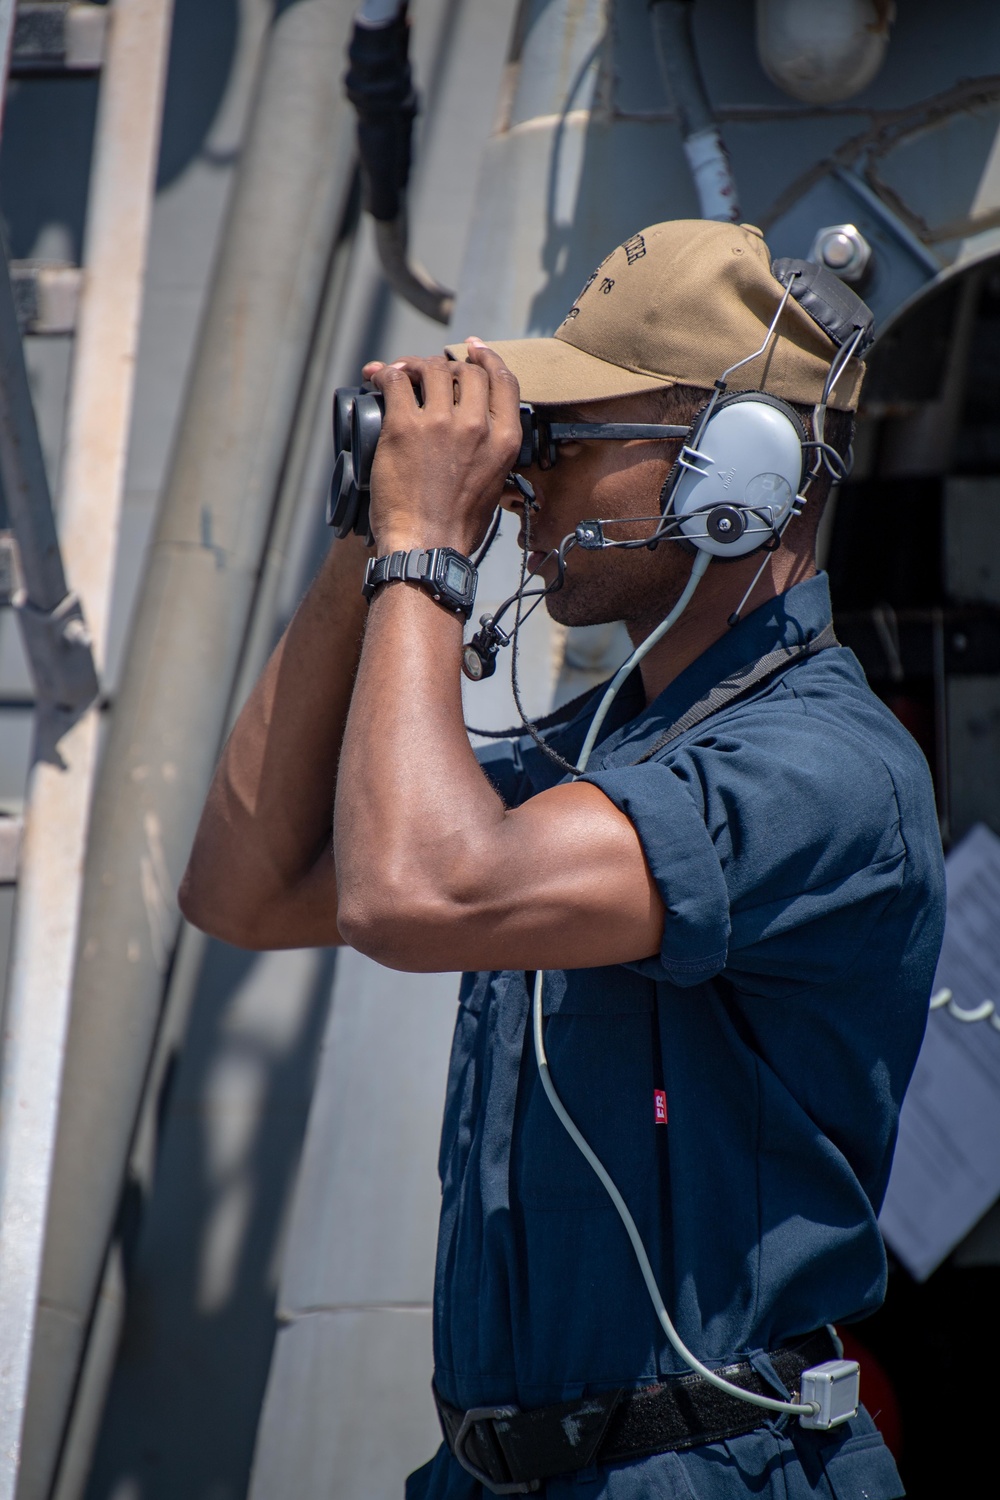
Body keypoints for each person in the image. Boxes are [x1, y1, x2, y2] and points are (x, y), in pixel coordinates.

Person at [180, 219, 945, 1499]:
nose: (524, 483)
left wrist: (428, 550)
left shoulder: (821, 772)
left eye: (570, 440)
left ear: (735, 468)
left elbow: (418, 892)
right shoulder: (599, 765)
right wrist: (370, 536)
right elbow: (244, 889)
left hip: (707, 1470)